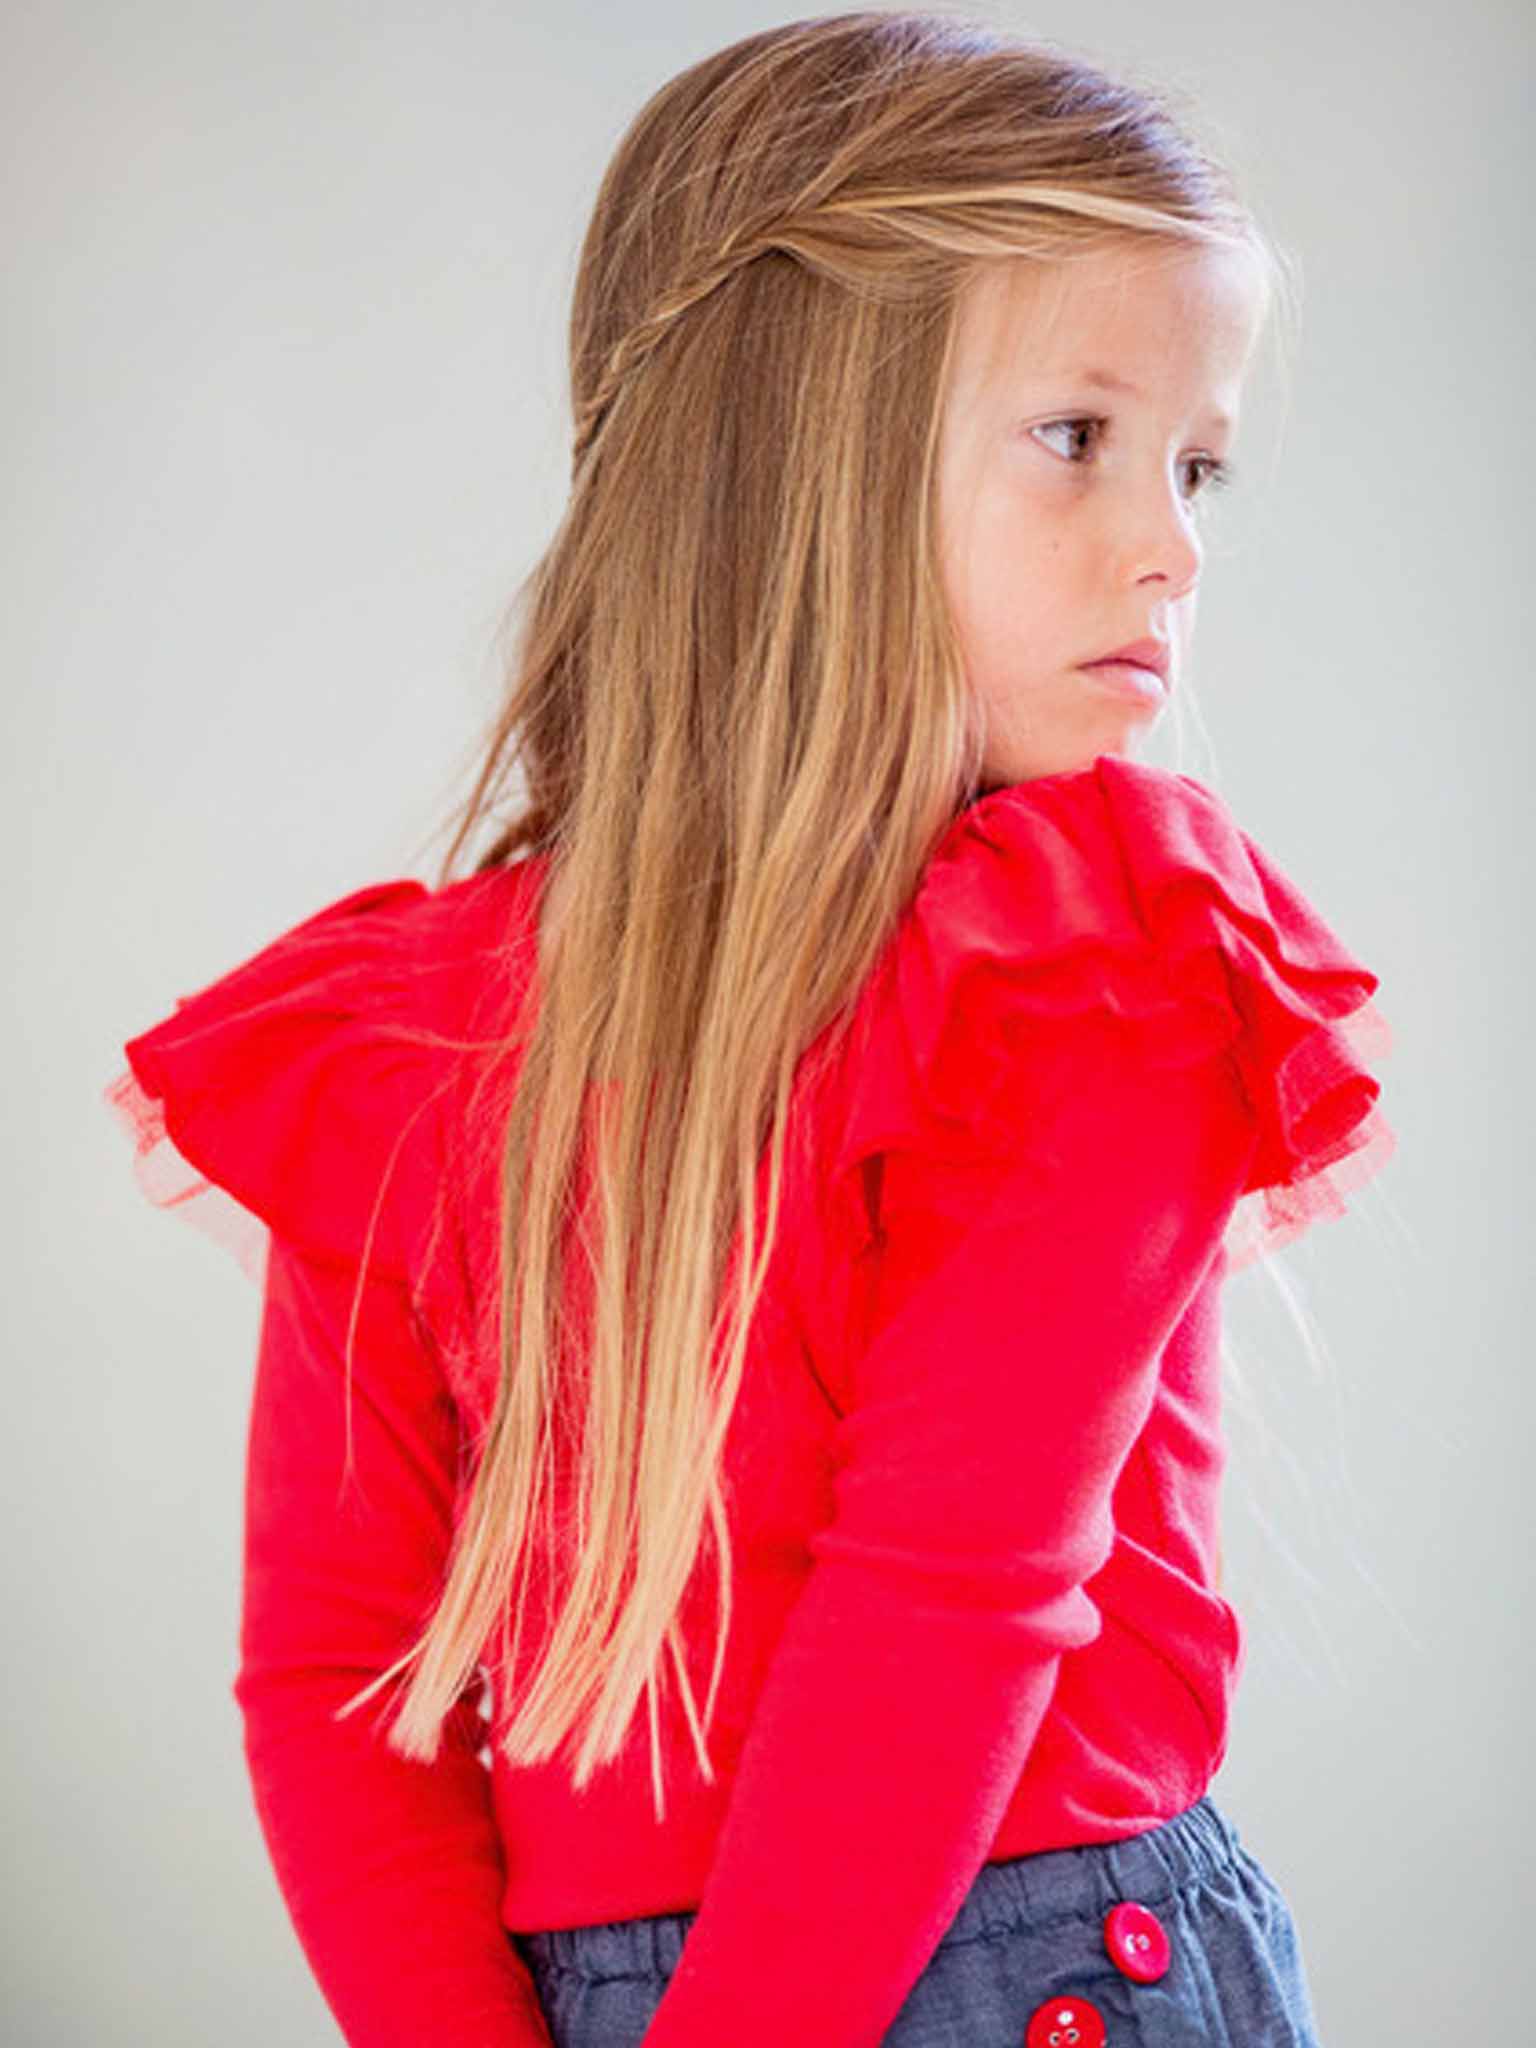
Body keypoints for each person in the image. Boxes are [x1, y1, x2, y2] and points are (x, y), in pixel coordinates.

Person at [103, 11, 1397, 2045]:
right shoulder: (413, 1042)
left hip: (1021, 1966)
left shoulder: (1095, 958)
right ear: (791, 447)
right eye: (1080, 436)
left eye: (1198, 463)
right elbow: (340, 1676)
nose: (1173, 542)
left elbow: (950, 1596)